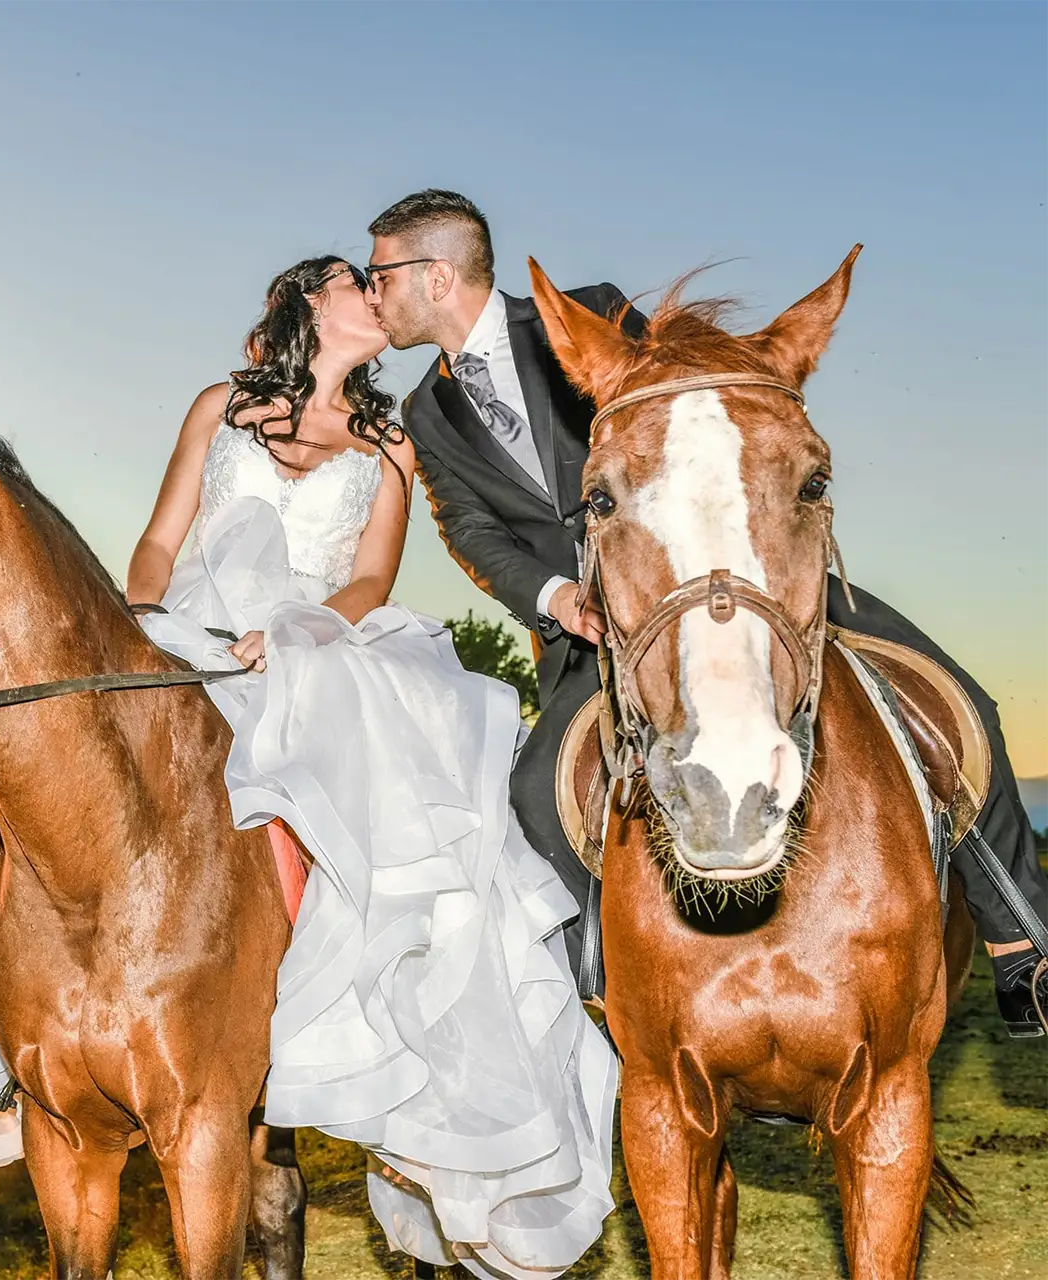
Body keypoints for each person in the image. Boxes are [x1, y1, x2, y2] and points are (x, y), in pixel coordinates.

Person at [0, 255, 617, 1278]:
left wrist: (297, 633)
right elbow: (158, 543)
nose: (373, 293)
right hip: (183, 635)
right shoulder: (220, 406)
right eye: (351, 279)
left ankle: (352, 1020)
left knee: (399, 805)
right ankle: (9, 1029)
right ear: (305, 301)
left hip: (311, 645)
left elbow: (370, 579)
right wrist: (147, 627)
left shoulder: (390, 441)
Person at [369, 187, 1048, 1032]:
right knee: (535, 795)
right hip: (591, 625)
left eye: (381, 275)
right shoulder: (425, 414)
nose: (372, 293)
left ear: (436, 275)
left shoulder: (590, 312)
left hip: (722, 570)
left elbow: (698, 412)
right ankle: (601, 987)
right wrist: (555, 596)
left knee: (960, 702)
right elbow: (469, 529)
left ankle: (1021, 937)